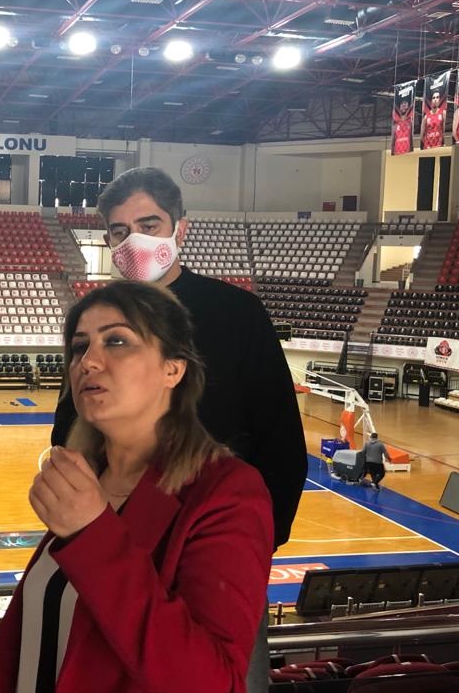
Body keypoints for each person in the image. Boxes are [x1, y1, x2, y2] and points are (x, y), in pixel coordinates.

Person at [51, 167, 306, 692]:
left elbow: (280, 440)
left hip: (214, 549)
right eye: (120, 231)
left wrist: (251, 543)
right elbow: (70, 426)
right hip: (108, 536)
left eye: (149, 224)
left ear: (180, 229)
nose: (134, 240)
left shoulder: (237, 313)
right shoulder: (95, 321)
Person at [0, 281, 273, 692]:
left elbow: (211, 682)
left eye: (117, 341)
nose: (88, 361)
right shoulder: (90, 482)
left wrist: (92, 535)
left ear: (173, 369)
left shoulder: (227, 494)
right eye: (79, 347)